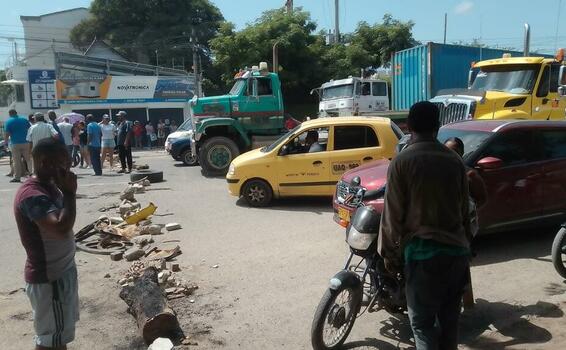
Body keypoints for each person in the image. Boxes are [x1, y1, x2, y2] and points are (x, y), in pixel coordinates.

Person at [378, 101, 471, 350]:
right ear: (438, 127)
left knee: (422, 326)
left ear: (408, 127)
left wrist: (389, 256)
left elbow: (392, 217)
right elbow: (465, 211)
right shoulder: (454, 161)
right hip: (456, 254)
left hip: (423, 257)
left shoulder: (402, 161)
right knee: (450, 323)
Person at [13, 137, 79, 350]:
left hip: (61, 274)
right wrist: (70, 193)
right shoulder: (32, 194)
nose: (67, 168)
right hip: (49, 279)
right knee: (50, 340)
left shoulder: (49, 186)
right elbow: (60, 228)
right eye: (63, 163)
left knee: (58, 337)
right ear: (44, 163)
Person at [4, 109, 31, 183]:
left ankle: (17, 178)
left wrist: (5, 143)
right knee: (28, 159)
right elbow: (29, 129)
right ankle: (32, 174)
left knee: (16, 161)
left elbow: (7, 134)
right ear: (16, 113)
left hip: (15, 143)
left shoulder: (9, 122)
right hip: (26, 142)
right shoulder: (24, 120)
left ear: (10, 114)